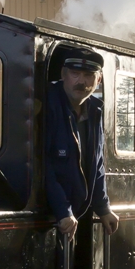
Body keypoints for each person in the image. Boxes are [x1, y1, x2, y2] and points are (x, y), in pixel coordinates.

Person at [45, 51, 120, 238]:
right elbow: (41, 164)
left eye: (89, 76)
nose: (81, 81)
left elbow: (97, 163)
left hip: (75, 213)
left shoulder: (95, 110)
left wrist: (103, 208)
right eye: (75, 74)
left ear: (99, 79)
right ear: (63, 75)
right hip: (50, 215)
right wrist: (62, 210)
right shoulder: (48, 104)